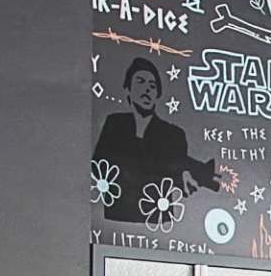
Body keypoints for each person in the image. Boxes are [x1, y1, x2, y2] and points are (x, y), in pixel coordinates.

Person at [93, 57, 223, 223]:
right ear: (128, 89)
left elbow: (177, 164)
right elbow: (98, 164)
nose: (147, 89)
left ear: (157, 94)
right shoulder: (115, 123)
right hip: (116, 217)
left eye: (152, 86)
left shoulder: (173, 134)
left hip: (157, 220)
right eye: (140, 82)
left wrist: (186, 174)